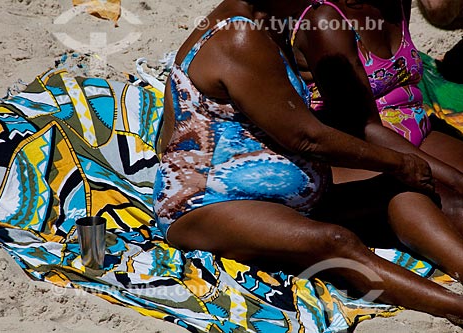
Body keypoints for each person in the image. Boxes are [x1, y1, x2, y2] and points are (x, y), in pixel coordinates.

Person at [153, 0, 463, 325]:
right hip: (207, 199)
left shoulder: (270, 21)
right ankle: (453, 308)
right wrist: (398, 162)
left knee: (399, 194)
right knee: (333, 241)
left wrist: (397, 170)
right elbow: (306, 138)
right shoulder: (239, 36)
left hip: (277, 188)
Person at [291, 0, 463, 231]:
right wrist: (455, 180)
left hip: (416, 130)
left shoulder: (393, 4)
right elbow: (362, 126)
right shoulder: (325, 21)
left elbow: (443, 13)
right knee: (457, 207)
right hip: (362, 151)